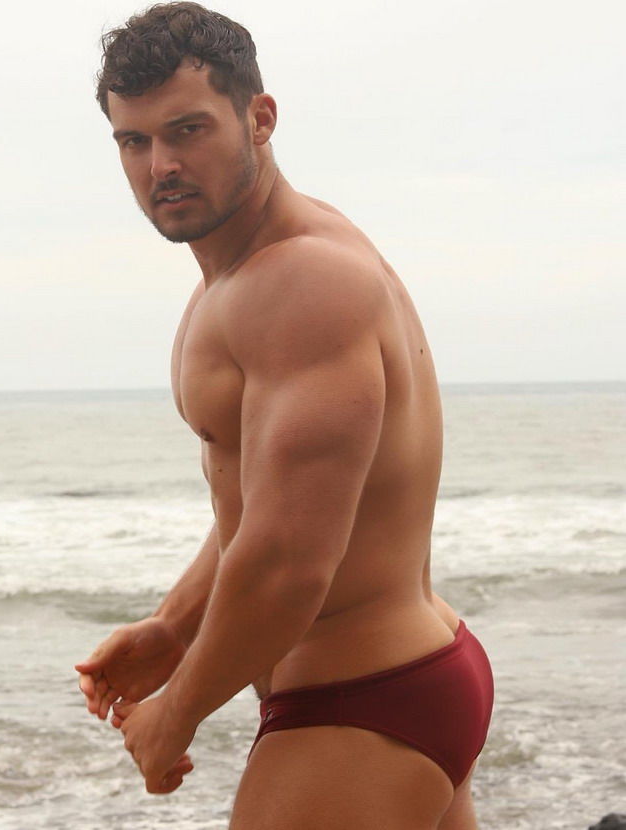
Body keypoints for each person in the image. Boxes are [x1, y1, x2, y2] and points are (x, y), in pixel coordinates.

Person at [75, 3, 493, 828]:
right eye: (134, 141)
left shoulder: (302, 282)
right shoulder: (247, 277)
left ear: (259, 119)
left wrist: (175, 716)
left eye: (188, 130)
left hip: (364, 699)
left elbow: (288, 561)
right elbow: (272, 499)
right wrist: (174, 626)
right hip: (402, 681)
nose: (162, 164)